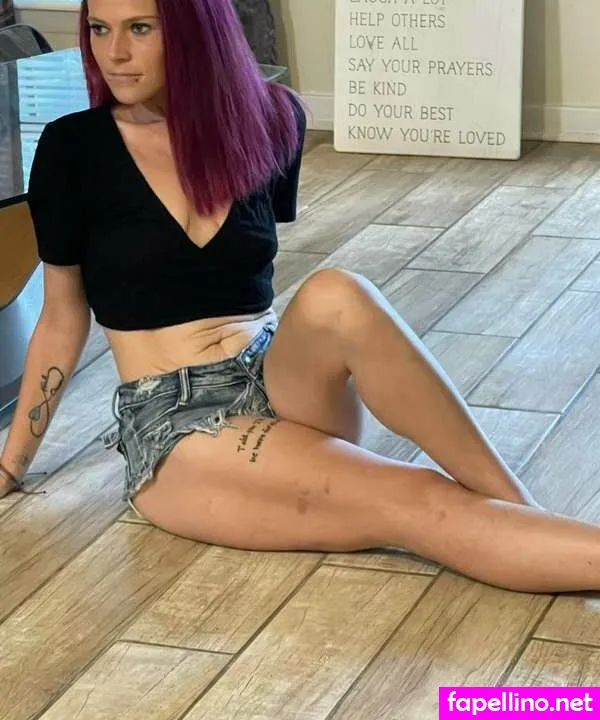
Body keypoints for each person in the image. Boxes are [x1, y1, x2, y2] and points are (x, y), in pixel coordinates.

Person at [1, 0, 600, 596]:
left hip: (277, 373)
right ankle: (528, 530)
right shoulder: (73, 147)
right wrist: (11, 463)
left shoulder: (271, 119)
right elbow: (62, 316)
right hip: (178, 420)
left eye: (139, 29)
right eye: (99, 29)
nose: (114, 53)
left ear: (193, 32)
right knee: (418, 498)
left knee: (337, 292)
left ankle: (521, 511)